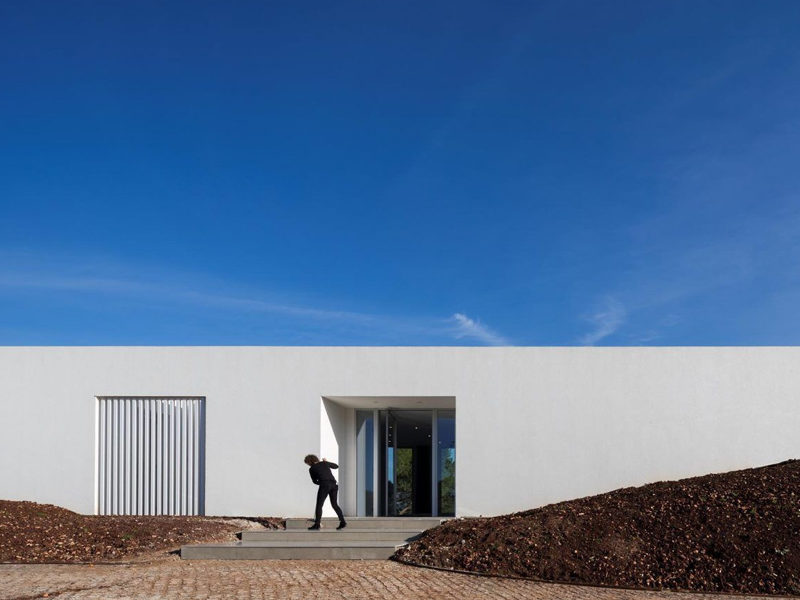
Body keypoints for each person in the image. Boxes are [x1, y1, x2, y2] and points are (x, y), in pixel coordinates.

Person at [304, 454, 347, 530]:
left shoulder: (312, 469)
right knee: (334, 504)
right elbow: (336, 466)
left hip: (324, 485)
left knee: (319, 505)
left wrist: (322, 482)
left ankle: (317, 524)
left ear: (309, 462)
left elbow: (314, 481)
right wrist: (326, 462)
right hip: (334, 485)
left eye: (307, 463)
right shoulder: (324, 463)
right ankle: (342, 522)